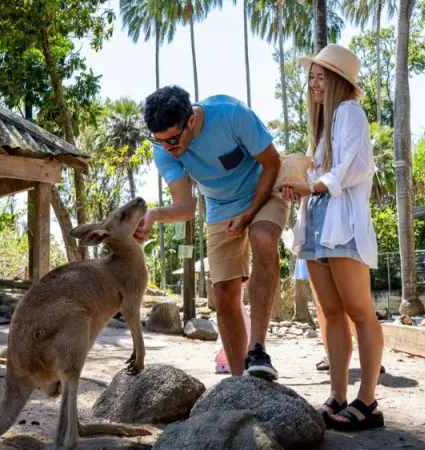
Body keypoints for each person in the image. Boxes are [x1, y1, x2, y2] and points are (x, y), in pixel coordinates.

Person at [135, 86, 287, 380]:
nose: (167, 147)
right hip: (220, 206)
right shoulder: (163, 148)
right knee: (223, 291)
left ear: (191, 120)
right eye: (160, 140)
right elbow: (186, 206)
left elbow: (272, 163)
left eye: (172, 139)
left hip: (264, 190)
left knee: (263, 237)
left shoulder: (231, 115)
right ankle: (239, 381)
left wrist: (249, 214)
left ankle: (258, 350)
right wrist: (154, 215)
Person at [281, 44, 384, 431]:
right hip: (317, 224)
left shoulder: (350, 112)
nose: (313, 83)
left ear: (340, 81)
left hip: (343, 224)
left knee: (360, 311)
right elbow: (319, 175)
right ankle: (338, 394)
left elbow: (354, 167)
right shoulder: (323, 125)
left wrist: (314, 186)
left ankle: (368, 401)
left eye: (321, 76)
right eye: (311, 77)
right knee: (331, 313)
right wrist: (296, 186)